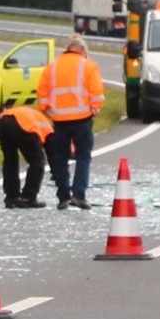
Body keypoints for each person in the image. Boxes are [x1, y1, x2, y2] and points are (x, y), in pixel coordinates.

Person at [34, 36, 106, 209]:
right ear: (82, 51)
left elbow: (42, 92)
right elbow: (97, 92)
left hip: (59, 119)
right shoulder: (88, 66)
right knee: (83, 156)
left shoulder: (52, 67)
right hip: (82, 118)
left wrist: (47, 110)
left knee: (60, 158)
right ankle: (79, 195)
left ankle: (63, 196)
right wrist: (94, 110)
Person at [0, 103, 53, 208]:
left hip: (3, 121)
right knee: (37, 163)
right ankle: (28, 197)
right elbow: (53, 155)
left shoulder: (40, 120)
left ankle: (11, 197)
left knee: (10, 161)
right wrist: (57, 175)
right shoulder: (50, 132)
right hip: (23, 125)